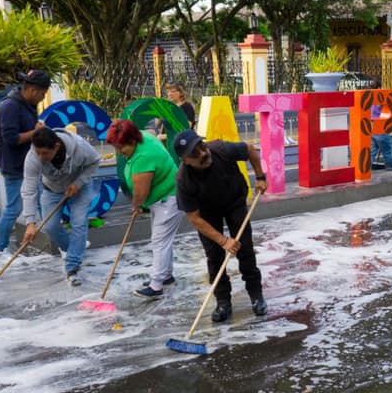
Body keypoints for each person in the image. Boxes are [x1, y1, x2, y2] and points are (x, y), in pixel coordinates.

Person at [174, 129, 268, 322]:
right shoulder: (183, 180)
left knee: (245, 250)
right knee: (215, 256)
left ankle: (256, 296)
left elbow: (249, 149)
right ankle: (223, 302)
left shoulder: (221, 149)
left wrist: (260, 177)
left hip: (234, 201)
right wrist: (223, 240)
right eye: (194, 153)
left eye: (201, 146)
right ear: (185, 160)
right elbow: (194, 218)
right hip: (207, 213)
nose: (202, 153)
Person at [105, 120, 183, 299]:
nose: (119, 152)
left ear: (132, 142)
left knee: (160, 241)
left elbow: (140, 192)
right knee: (163, 240)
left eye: (121, 147)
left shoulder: (143, 157)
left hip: (169, 198)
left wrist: (136, 205)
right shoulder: (142, 136)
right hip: (163, 197)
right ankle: (166, 276)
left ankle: (156, 286)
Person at [20, 127, 100, 287]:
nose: (41, 157)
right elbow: (29, 189)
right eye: (38, 152)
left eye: (45, 153)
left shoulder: (79, 146)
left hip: (80, 188)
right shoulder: (33, 158)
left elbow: (95, 161)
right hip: (52, 189)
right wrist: (30, 222)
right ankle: (73, 250)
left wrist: (78, 183)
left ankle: (72, 268)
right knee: (49, 226)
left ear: (56, 146)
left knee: (78, 222)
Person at [0, 70, 48, 265]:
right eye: (42, 94)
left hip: (29, 164)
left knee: (43, 201)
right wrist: (36, 131)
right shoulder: (11, 107)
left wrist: (36, 128)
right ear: (32, 89)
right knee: (13, 209)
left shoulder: (27, 105)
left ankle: (61, 244)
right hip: (14, 166)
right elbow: (11, 138)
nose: (42, 99)